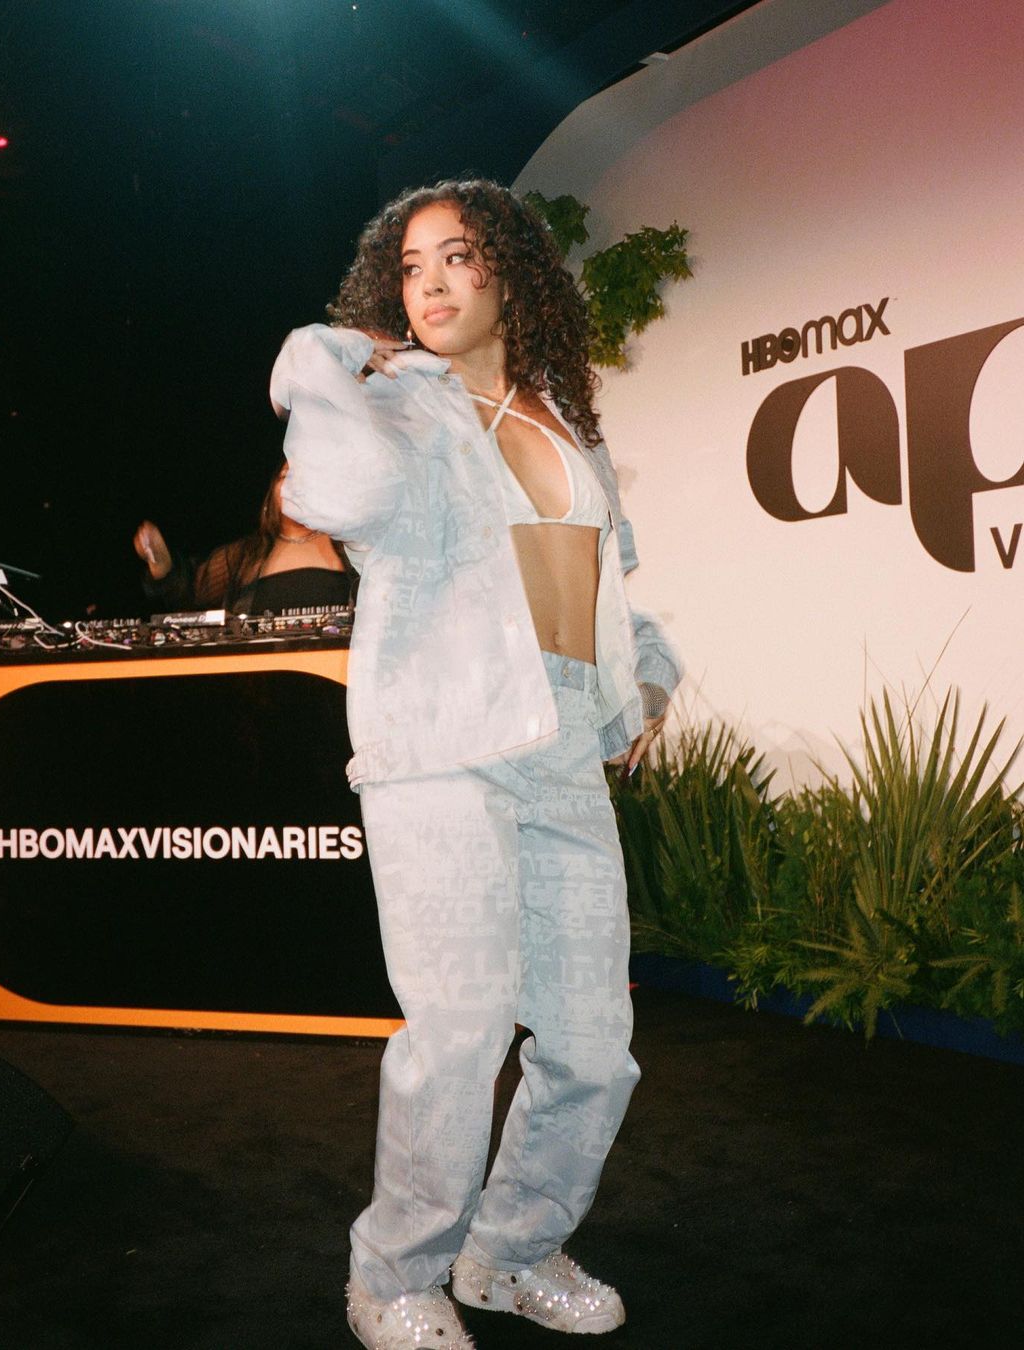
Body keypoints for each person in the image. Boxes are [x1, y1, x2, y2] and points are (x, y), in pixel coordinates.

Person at [270, 179, 681, 1350]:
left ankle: (510, 1252)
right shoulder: (399, 405)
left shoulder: (569, 424)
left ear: (511, 270)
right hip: (444, 747)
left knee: (593, 1046)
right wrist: (323, 360)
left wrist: (644, 685)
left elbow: (605, 590)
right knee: (459, 1032)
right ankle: (393, 1276)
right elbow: (337, 496)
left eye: (457, 256)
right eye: (411, 267)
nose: (432, 282)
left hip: (561, 750)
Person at [132, 458, 353, 613]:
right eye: (286, 476)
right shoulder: (245, 555)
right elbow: (189, 591)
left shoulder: (351, 548)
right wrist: (162, 561)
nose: (295, 484)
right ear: (271, 497)